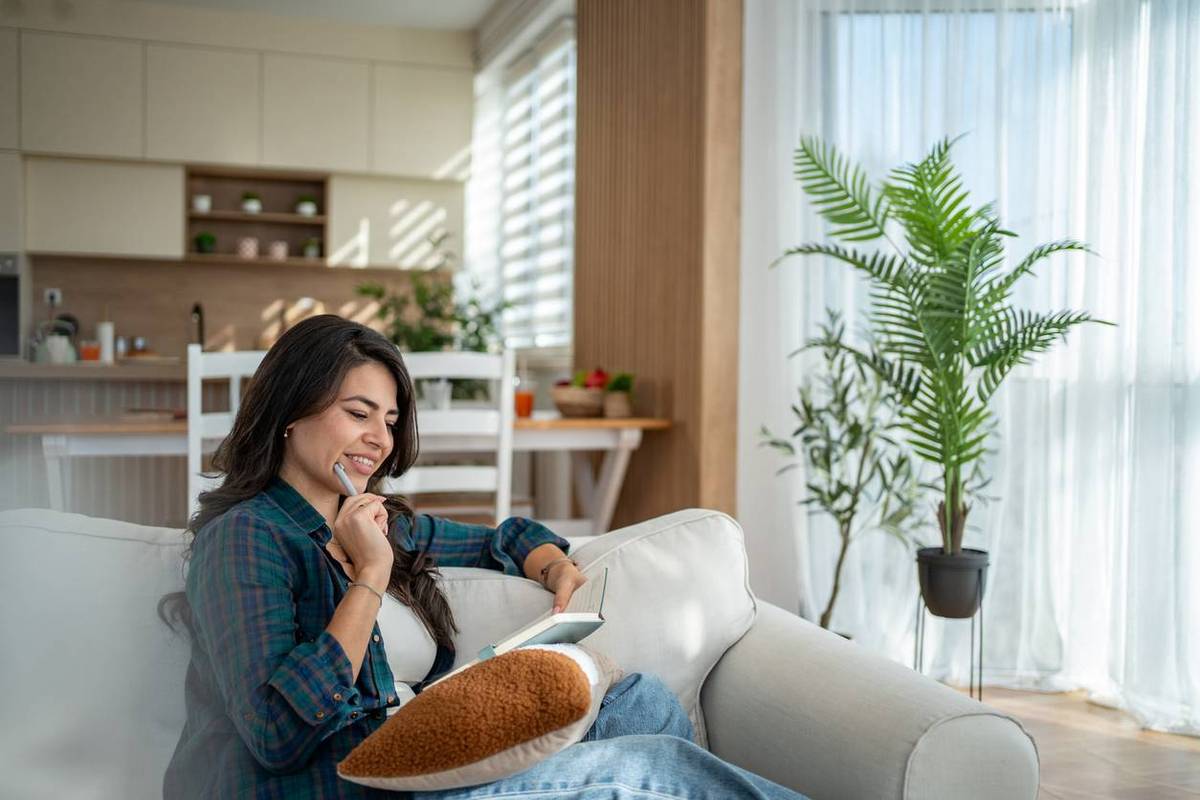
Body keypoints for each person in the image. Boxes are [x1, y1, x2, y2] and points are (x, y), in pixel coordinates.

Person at [162, 314, 807, 799]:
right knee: (659, 769)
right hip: (348, 788)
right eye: (358, 412)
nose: (378, 440)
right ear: (288, 414)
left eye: (389, 420)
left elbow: (498, 539)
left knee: (639, 702)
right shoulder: (247, 538)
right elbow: (276, 736)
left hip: (420, 761)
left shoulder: (369, 520)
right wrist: (370, 578)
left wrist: (552, 562)